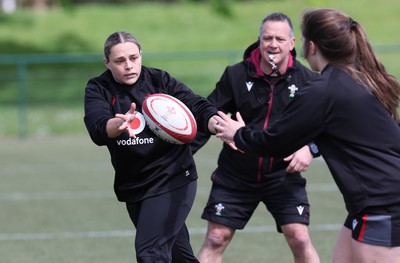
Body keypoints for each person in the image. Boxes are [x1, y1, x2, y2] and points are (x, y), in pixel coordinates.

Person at [214, 8, 400, 263]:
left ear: (311, 46)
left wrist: (238, 133)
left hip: (384, 205)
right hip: (371, 203)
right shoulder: (356, 79)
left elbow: (276, 142)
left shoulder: (324, 90)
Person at [190, 12, 320, 263]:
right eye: (267, 38)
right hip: (236, 174)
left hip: (283, 175)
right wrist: (221, 130)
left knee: (300, 237)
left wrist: (310, 149)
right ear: (259, 40)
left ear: (292, 44)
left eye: (280, 39)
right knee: (216, 237)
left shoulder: (308, 81)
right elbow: (209, 113)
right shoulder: (236, 75)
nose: (273, 44)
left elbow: (327, 127)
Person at [83, 31, 219, 263]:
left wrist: (217, 124)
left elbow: (196, 104)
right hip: (134, 183)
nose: (128, 65)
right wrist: (119, 123)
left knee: (150, 254)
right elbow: (98, 127)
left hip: (172, 177)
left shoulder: (159, 80)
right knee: (179, 257)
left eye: (134, 58)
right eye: (120, 61)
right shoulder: (98, 87)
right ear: (107, 63)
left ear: (141, 56)